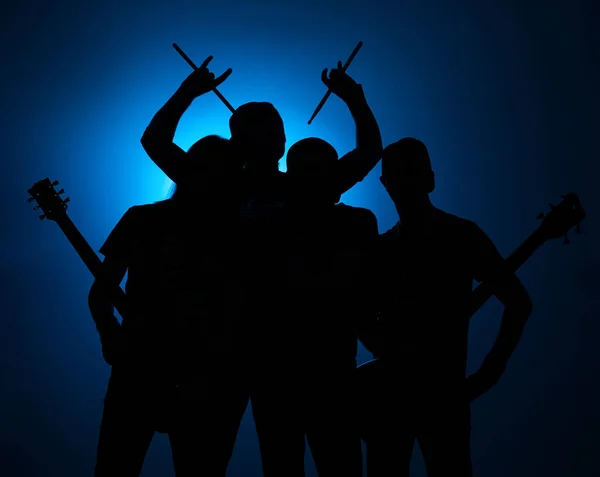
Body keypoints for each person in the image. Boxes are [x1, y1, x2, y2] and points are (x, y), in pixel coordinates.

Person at [359, 138, 534, 477]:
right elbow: (361, 316)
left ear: (430, 179)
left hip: (442, 397)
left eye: (411, 172)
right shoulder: (381, 250)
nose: (405, 181)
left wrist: (486, 375)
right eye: (398, 174)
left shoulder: (460, 235)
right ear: (385, 184)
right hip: (395, 397)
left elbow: (519, 302)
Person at [88, 135, 248, 477]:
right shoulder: (142, 218)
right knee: (116, 466)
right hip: (141, 365)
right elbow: (101, 291)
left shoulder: (240, 232)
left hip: (206, 371)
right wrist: (109, 334)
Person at [266, 135, 379, 477]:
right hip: (281, 373)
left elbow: (366, 300)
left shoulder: (357, 222)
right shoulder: (269, 220)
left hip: (331, 372)